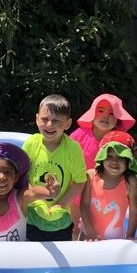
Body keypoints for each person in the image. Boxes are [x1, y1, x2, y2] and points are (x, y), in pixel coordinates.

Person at [68, 93, 136, 240]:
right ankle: (74, 249)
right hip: (78, 187)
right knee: (73, 227)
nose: (106, 116)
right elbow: (66, 151)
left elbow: (128, 165)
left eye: (112, 113)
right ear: (92, 114)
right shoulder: (80, 135)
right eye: (101, 111)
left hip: (102, 190)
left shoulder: (118, 142)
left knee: (99, 223)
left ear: (118, 119)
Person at [22, 94, 86, 242]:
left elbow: (79, 181)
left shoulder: (73, 148)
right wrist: (36, 199)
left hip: (61, 219)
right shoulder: (31, 143)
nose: (49, 125)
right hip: (31, 216)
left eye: (56, 121)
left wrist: (60, 205)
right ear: (37, 119)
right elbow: (22, 175)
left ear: (68, 124)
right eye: (45, 119)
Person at [79, 131, 137, 241]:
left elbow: (134, 211)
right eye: (109, 156)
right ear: (102, 157)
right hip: (87, 234)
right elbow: (85, 204)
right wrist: (90, 230)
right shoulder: (91, 176)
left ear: (128, 161)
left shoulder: (130, 182)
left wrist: (130, 236)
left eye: (120, 157)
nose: (114, 161)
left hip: (115, 240)